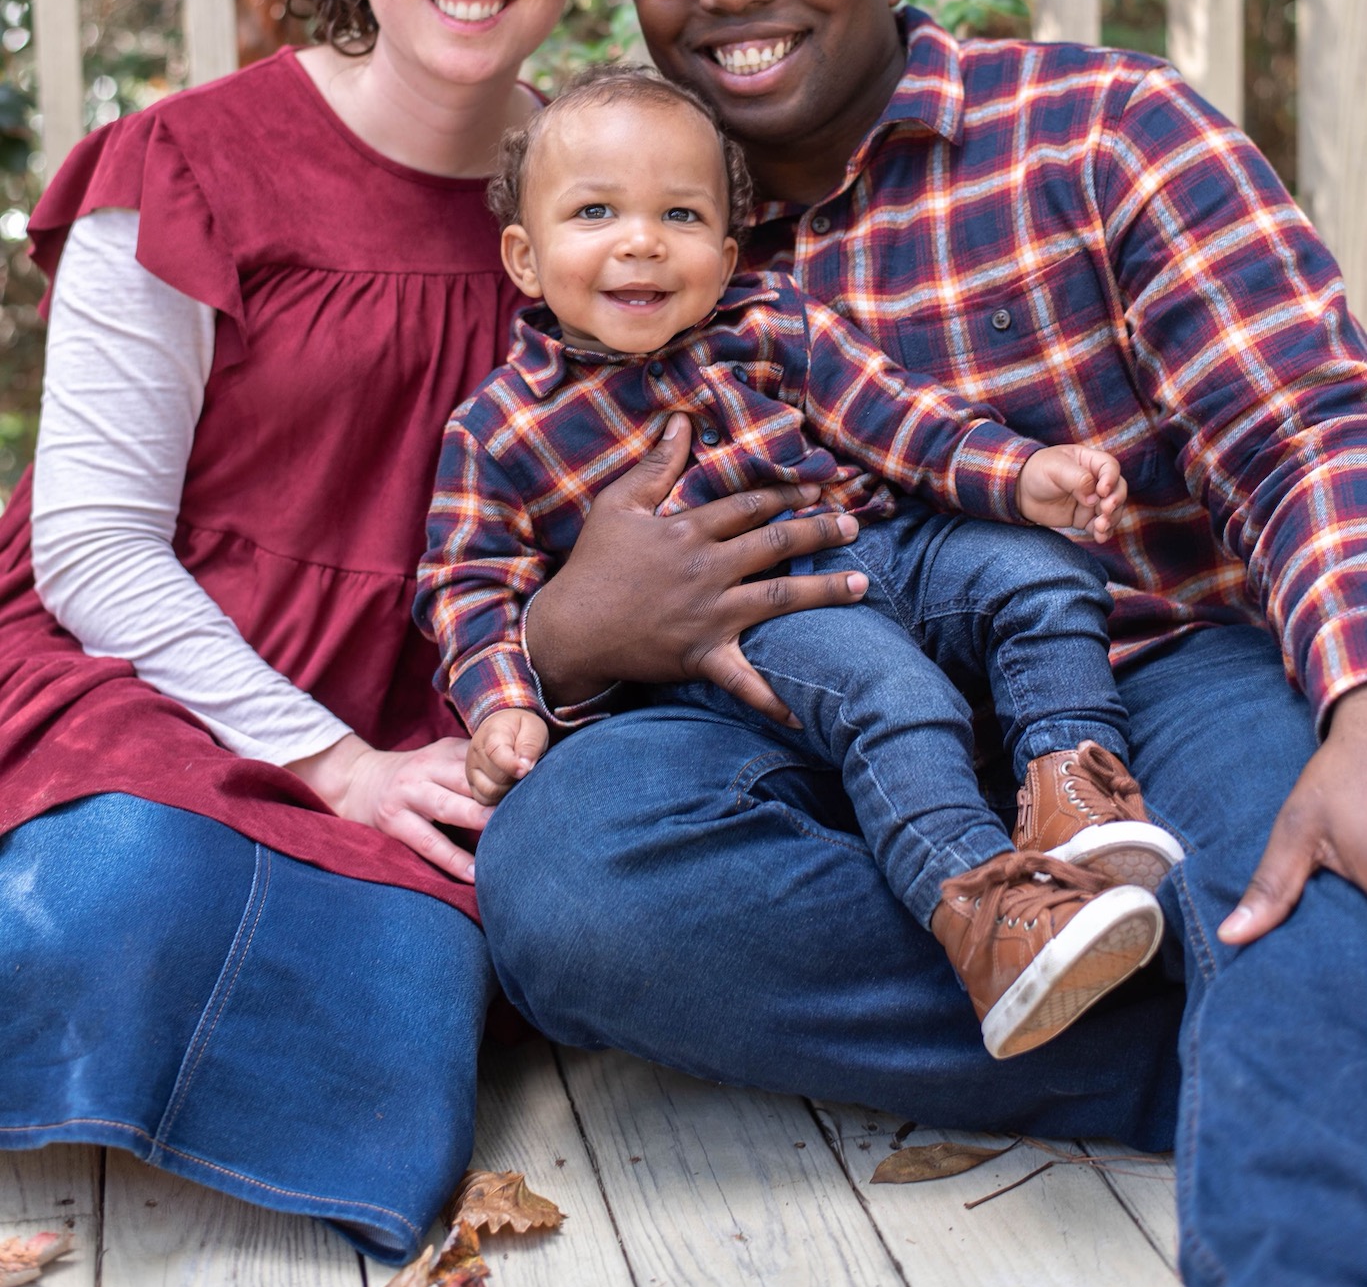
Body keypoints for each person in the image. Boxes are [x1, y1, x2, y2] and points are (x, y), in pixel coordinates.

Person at [475, 0, 1367, 1287]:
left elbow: (1300, 425)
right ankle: (1226, 1032)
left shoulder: (1101, 129)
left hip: (1145, 666)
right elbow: (501, 499)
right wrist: (557, 639)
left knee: (1313, 866)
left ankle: (1280, 1148)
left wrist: (1358, 701)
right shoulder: (637, 202)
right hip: (789, 702)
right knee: (571, 887)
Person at [0, 0, 632, 1261]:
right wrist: (331, 762)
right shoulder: (189, 164)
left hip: (435, 699)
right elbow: (89, 545)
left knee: (407, 988)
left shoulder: (598, 197)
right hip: (139, 662)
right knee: (121, 893)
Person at [419, 63, 1181, 1060]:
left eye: (679, 213)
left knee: (1033, 568)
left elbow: (896, 414)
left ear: (725, 249)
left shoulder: (768, 321)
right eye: (595, 210)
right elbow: (467, 578)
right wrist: (503, 697)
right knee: (888, 688)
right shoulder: (500, 427)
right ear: (523, 255)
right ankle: (986, 910)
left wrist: (1022, 471)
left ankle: (1071, 786)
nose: (641, 238)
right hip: (751, 617)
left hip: (883, 544)